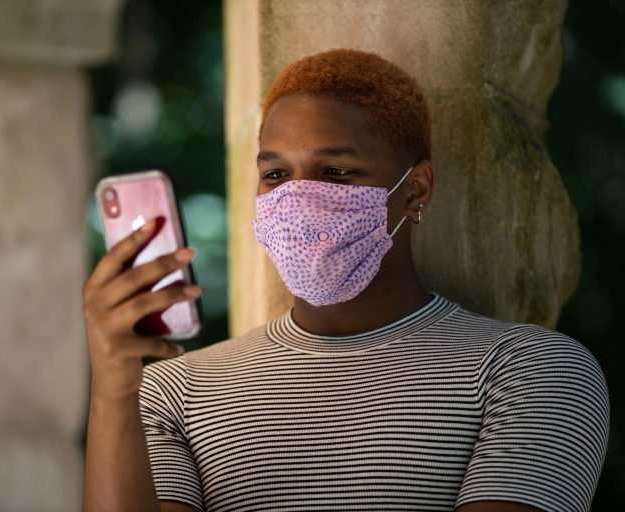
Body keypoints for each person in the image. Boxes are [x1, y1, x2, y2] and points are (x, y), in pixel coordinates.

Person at [81, 50, 609, 512]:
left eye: (336, 172)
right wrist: (111, 389)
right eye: (276, 174)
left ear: (416, 191)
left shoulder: (529, 370)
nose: (299, 199)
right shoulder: (172, 393)